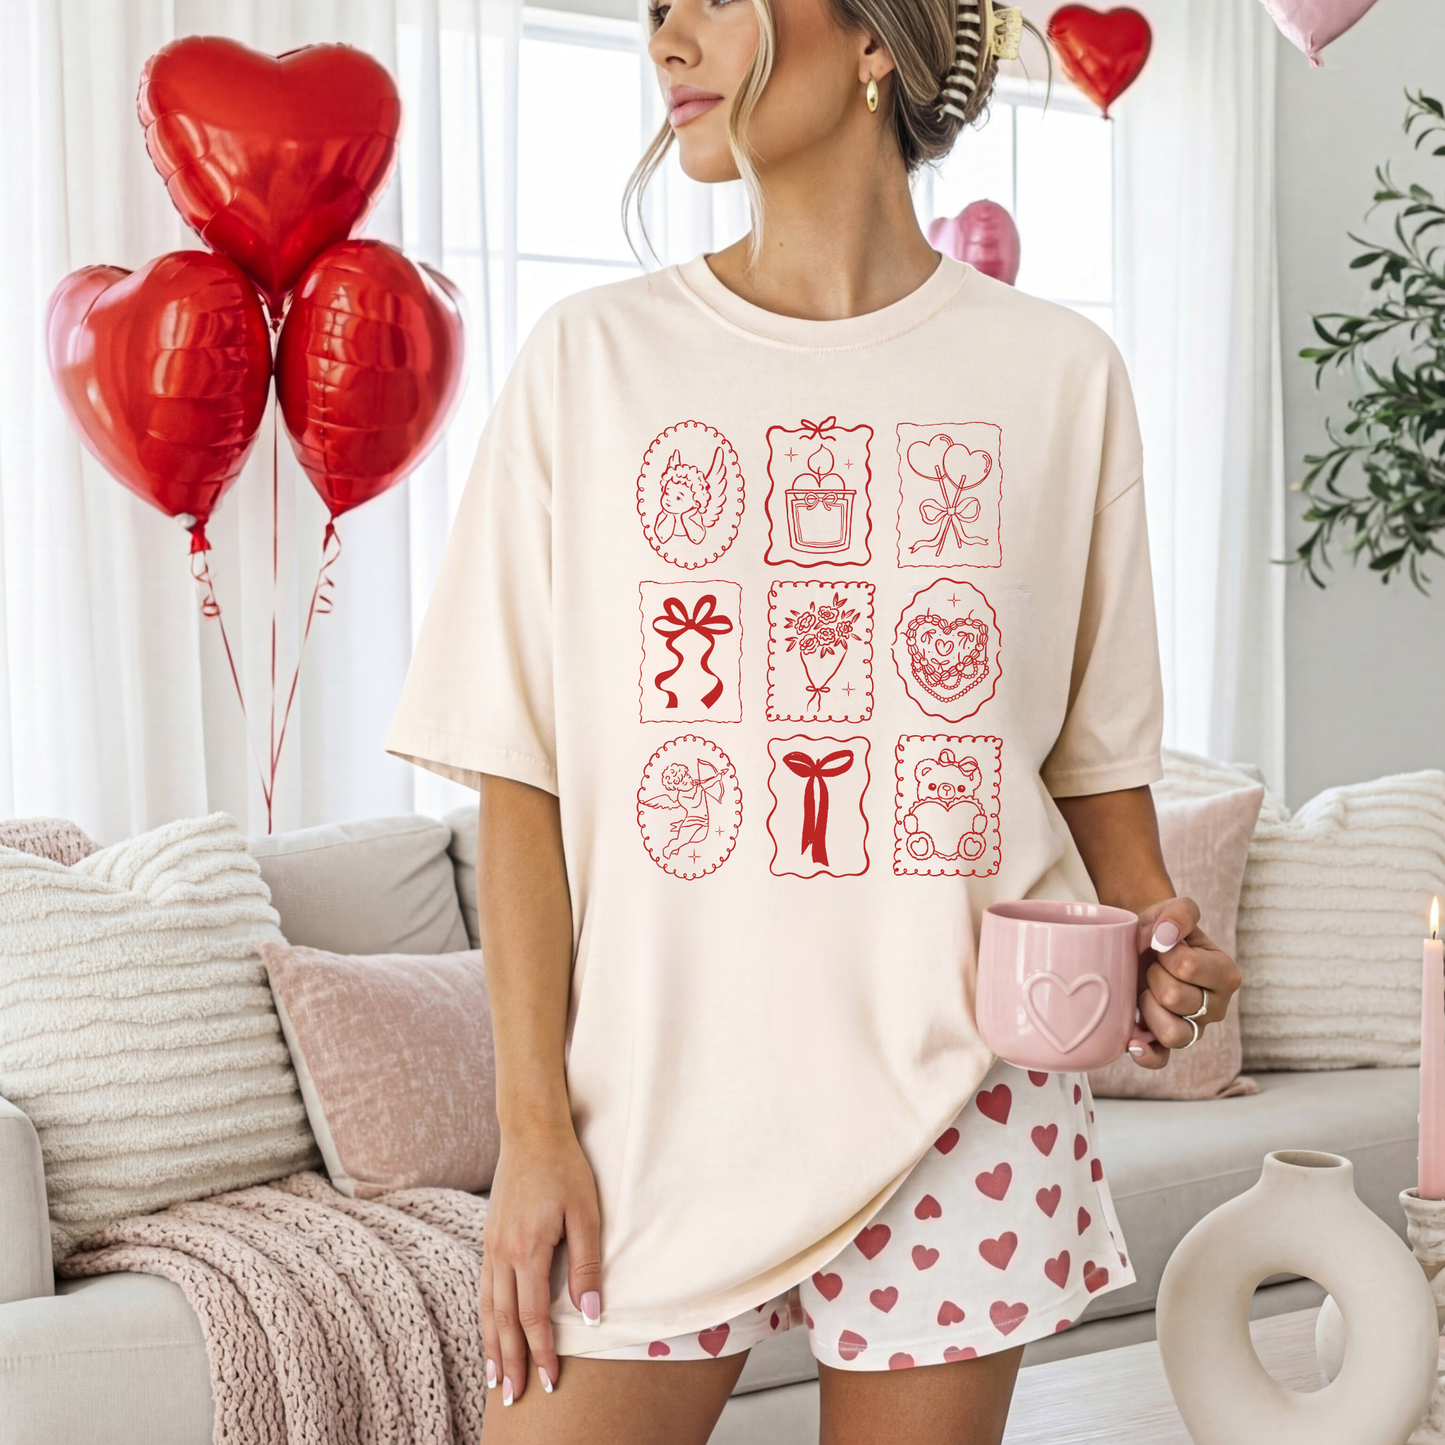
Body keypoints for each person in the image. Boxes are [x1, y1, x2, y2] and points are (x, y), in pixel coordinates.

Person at [385, 0, 1242, 1439]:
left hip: (968, 1106)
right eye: (656, 14)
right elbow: (514, 775)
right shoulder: (591, 365)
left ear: (874, 46)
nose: (666, 42)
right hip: (653, 1118)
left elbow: (1089, 767)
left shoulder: (1058, 377)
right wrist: (531, 1126)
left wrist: (1160, 940)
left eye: (712, 2)